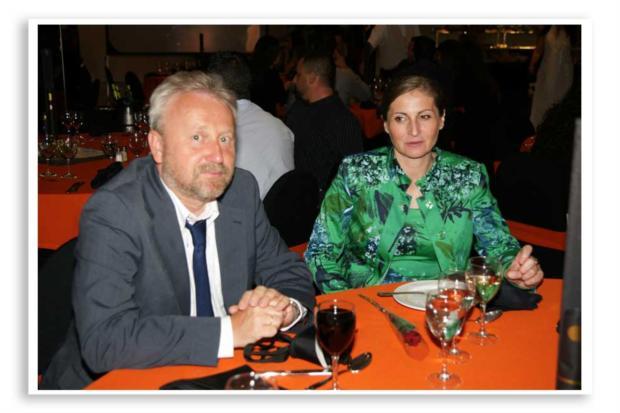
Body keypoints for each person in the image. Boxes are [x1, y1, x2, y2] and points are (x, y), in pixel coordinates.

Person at [40, 71, 315, 389]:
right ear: (157, 146)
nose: (217, 155)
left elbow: (288, 271)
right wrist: (229, 332)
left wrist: (285, 308)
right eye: (198, 138)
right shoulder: (116, 210)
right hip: (120, 384)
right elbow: (105, 339)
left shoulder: (240, 191)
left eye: (225, 138)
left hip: (221, 375)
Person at [304, 75, 544, 293]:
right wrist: (348, 301)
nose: (414, 130)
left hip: (448, 306)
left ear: (441, 119)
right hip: (370, 306)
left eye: (425, 116)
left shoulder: (467, 176)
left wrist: (516, 268)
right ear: (386, 124)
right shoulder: (357, 173)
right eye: (400, 118)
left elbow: (498, 245)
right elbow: (321, 251)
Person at [207, 51, 295, 199]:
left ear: (213, 88)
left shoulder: (218, 134)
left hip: (245, 211)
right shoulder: (280, 127)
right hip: (287, 210)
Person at [286, 51, 363, 199]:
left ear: (312, 78)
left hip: (324, 204)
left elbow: (353, 177)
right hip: (295, 197)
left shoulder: (343, 121)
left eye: (299, 75)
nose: (295, 80)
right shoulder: (298, 110)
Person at [529, 26, 574, 129]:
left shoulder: (570, 32)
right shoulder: (546, 31)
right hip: (548, 70)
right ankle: (543, 126)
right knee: (546, 96)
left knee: (562, 97)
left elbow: (573, 52)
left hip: (565, 72)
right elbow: (539, 50)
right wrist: (532, 64)